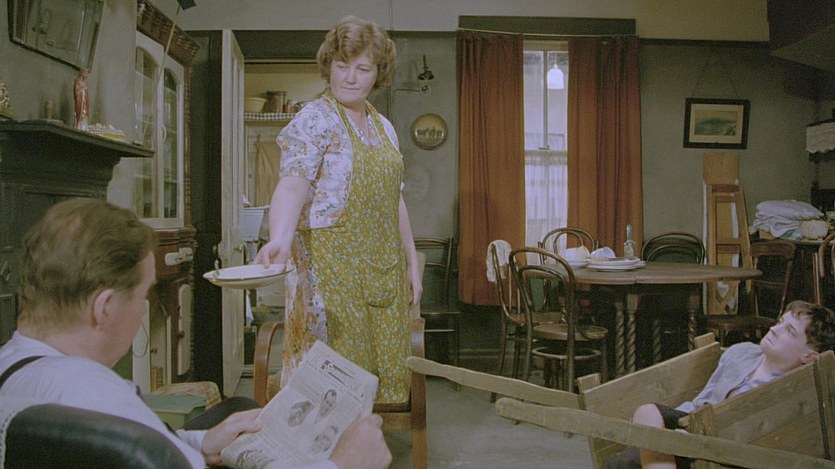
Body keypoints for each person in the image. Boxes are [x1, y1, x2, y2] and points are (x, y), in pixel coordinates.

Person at [0, 198, 392, 469]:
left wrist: (201, 442)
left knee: (237, 408)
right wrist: (341, 464)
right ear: (103, 308)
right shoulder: (96, 394)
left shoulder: (15, 368)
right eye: (143, 294)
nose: (144, 309)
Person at [254, 15, 421, 405]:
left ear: (378, 74)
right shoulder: (314, 119)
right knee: (336, 382)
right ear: (328, 65)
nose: (350, 77)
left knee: (383, 378)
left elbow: (394, 199)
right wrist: (279, 238)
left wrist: (412, 262)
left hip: (383, 269)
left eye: (362, 69)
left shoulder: (384, 127)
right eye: (342, 65)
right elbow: (292, 184)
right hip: (331, 273)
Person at [606, 300, 835, 469]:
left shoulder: (791, 389)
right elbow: (704, 399)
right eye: (780, 322)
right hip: (696, 425)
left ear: (809, 356)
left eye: (789, 331)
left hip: (725, 449)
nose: (774, 329)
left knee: (626, 463)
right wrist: (678, 432)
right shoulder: (740, 353)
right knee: (646, 414)